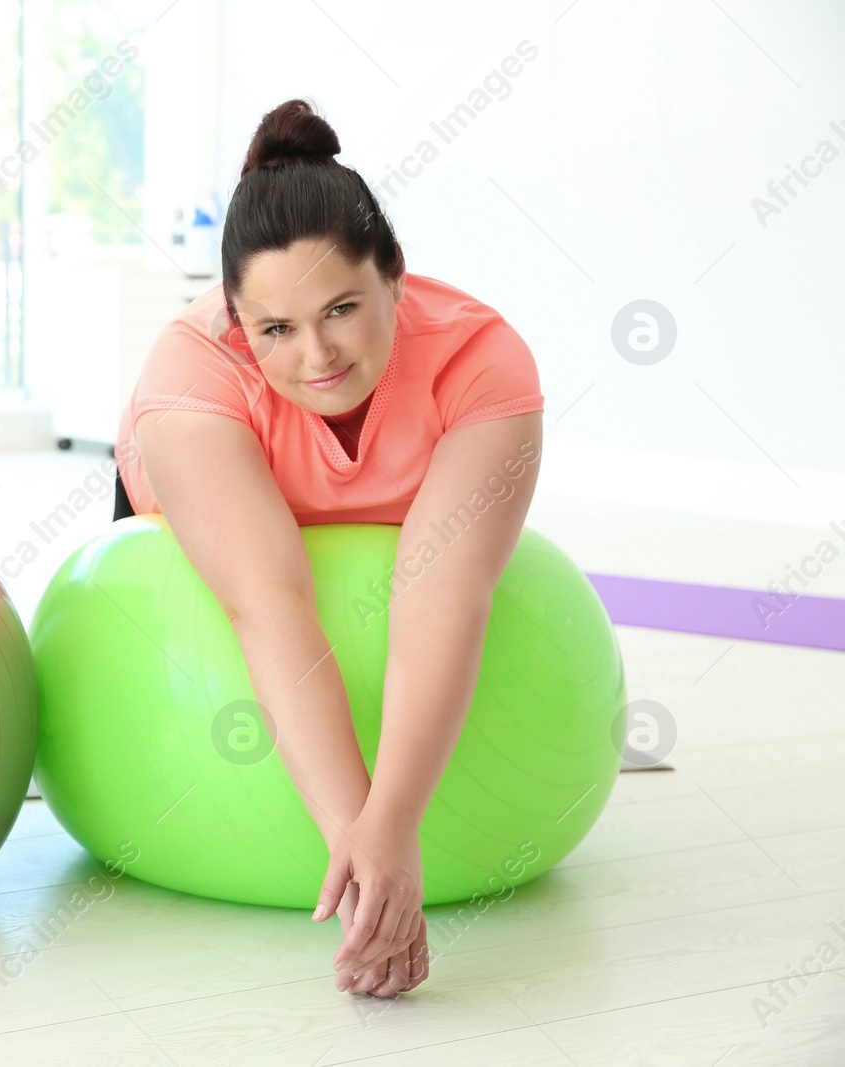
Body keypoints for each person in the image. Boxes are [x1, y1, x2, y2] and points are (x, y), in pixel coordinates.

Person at [114, 99, 545, 999]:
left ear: (395, 277)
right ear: (237, 323)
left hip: (413, 538)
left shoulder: (485, 361)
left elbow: (444, 589)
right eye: (274, 329)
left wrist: (393, 824)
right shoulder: (192, 371)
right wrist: (367, 859)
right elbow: (268, 602)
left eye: (342, 308)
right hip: (211, 491)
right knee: (258, 591)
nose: (315, 355)